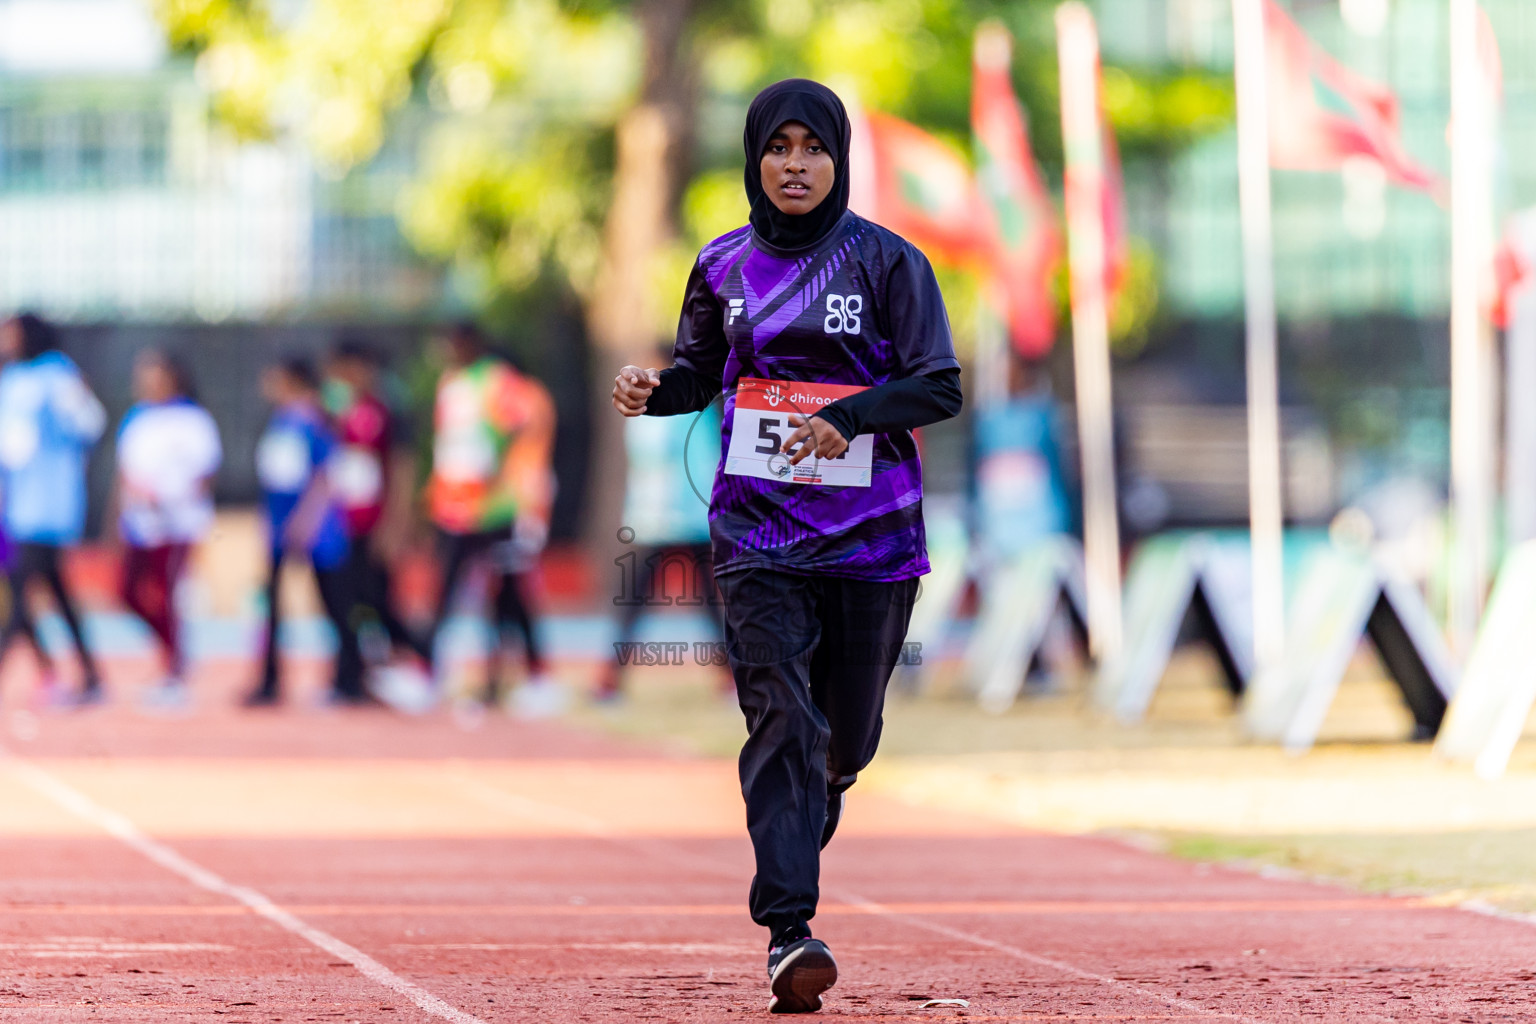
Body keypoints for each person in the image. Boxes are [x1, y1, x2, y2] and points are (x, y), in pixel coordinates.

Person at [610, 80, 962, 1014]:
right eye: (779, 148)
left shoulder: (890, 264)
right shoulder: (722, 263)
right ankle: (789, 932)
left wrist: (849, 419)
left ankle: (829, 784)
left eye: (813, 148)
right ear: (754, 158)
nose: (794, 165)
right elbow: (700, 372)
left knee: (843, 738)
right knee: (779, 718)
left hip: (871, 539)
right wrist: (658, 388)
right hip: (756, 530)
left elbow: (939, 387)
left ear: (837, 159)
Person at [426, 322, 560, 714]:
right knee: (447, 590)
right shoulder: (450, 384)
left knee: (507, 594)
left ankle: (520, 677)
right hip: (454, 508)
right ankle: (434, 672)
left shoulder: (499, 382)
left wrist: (502, 471)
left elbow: (525, 426)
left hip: (496, 508)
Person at [596, 341, 726, 702]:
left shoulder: (683, 406)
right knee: (639, 602)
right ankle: (610, 680)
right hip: (659, 519)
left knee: (699, 603)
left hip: (674, 518)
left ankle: (732, 680)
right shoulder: (666, 407)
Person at [244, 356, 366, 707]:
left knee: (334, 603)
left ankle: (350, 678)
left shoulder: (314, 420)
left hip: (317, 531)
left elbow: (325, 475)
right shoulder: (281, 421)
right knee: (272, 604)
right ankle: (269, 680)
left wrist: (306, 521)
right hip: (281, 528)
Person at [0, 313, 107, 705]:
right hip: (15, 508)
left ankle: (72, 673)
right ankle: (89, 674)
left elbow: (90, 424)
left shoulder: (58, 374)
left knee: (16, 595)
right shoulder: (11, 380)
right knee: (53, 593)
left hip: (46, 507)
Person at [114, 349, 222, 709]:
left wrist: (169, 499)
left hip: (177, 525)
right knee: (127, 592)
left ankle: (173, 672)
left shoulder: (192, 420)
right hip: (140, 524)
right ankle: (175, 650)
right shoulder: (137, 419)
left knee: (168, 595)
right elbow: (125, 475)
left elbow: (204, 473)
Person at [325, 337, 432, 670]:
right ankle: (356, 670)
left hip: (374, 522)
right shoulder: (340, 412)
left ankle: (419, 653)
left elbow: (402, 467)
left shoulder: (387, 408)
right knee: (348, 599)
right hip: (345, 522)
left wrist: (396, 522)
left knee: (377, 598)